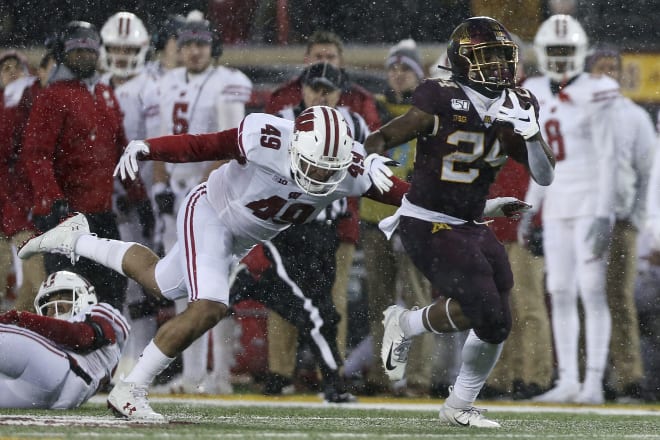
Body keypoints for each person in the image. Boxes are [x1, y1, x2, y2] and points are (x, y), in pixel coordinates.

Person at [18, 105, 407, 421]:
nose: (320, 176)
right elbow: (204, 145)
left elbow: (413, 197)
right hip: (211, 210)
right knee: (209, 307)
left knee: (159, 282)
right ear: (294, 145)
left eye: (328, 169)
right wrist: (148, 147)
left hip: (244, 236)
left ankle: (77, 238)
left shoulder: (353, 172)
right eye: (314, 165)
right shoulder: (265, 137)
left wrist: (448, 212)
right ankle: (131, 389)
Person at [364, 16, 555, 428]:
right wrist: (370, 156)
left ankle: (458, 403)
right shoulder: (439, 95)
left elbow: (545, 175)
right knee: (482, 307)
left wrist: (533, 134)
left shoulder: (519, 103)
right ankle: (407, 324)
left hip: (470, 221)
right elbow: (384, 136)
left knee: (498, 321)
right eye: (486, 57)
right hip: (426, 220)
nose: (498, 67)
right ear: (462, 61)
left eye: (503, 58)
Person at [234, 61, 368, 402]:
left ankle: (331, 375)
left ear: (340, 93)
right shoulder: (282, 120)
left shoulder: (354, 124)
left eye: (328, 89)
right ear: (303, 89)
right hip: (287, 225)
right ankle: (285, 374)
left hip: (327, 225)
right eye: (315, 87)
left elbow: (365, 174)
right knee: (296, 304)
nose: (321, 95)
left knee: (324, 306)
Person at [145, 10, 253, 395]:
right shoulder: (165, 83)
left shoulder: (228, 82)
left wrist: (202, 192)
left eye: (201, 44)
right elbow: (157, 140)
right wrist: (160, 187)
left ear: (214, 47)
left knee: (214, 285)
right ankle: (190, 374)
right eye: (188, 44)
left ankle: (220, 374)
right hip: (176, 192)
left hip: (215, 192)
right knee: (180, 286)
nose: (193, 51)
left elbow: (229, 144)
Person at [19, 21, 151, 311]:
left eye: (89, 48)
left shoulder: (105, 93)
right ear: (63, 53)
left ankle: (106, 355)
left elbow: (121, 150)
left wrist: (138, 196)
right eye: (76, 48)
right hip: (66, 215)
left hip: (102, 213)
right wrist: (53, 200)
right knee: (67, 296)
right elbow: (36, 154)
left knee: (112, 292)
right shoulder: (52, 97)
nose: (84, 54)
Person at [523, 15, 620, 405]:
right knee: (559, 289)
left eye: (566, 51)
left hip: (589, 202)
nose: (560, 59)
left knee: (591, 290)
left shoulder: (599, 90)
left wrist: (604, 213)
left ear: (579, 53)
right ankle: (567, 379)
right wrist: (532, 208)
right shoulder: (533, 90)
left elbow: (609, 158)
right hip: (557, 202)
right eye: (554, 51)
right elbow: (540, 159)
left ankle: (593, 382)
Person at [356, 38, 436, 396]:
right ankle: (382, 373)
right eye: (393, 68)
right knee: (381, 304)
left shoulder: (430, 112)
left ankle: (418, 377)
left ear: (418, 74)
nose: (398, 74)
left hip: (416, 217)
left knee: (419, 301)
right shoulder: (374, 110)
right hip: (376, 217)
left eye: (405, 68)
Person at [587, 46, 654, 401]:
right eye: (601, 68)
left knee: (618, 299)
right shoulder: (576, 115)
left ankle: (627, 376)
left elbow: (645, 173)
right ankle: (585, 374)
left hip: (621, 220)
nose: (608, 74)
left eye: (613, 68)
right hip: (579, 217)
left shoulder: (634, 117)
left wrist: (637, 217)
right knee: (581, 296)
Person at [98, 11, 160, 379]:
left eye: (128, 48)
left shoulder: (151, 86)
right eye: (116, 48)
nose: (121, 55)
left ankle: (141, 364)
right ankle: (114, 362)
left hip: (140, 199)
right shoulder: (98, 85)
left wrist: (146, 197)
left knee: (142, 286)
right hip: (104, 200)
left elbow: (151, 148)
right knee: (110, 285)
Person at [0, 270, 129, 409]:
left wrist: (21, 318)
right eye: (49, 304)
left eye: (63, 295)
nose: (55, 305)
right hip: (47, 393)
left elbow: (81, 337)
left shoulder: (98, 311)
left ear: (85, 296)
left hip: (62, 368)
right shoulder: (50, 330)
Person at [0, 50, 47, 311]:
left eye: (16, 66)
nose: (11, 71)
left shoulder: (33, 100)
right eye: (5, 67)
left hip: (23, 204)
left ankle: (21, 335)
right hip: (10, 203)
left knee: (36, 281)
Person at [265, 29, 381, 131]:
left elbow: (373, 141)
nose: (324, 62)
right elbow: (267, 135)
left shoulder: (360, 99)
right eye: (318, 57)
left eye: (330, 57)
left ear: (341, 61)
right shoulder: (283, 96)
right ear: (306, 59)